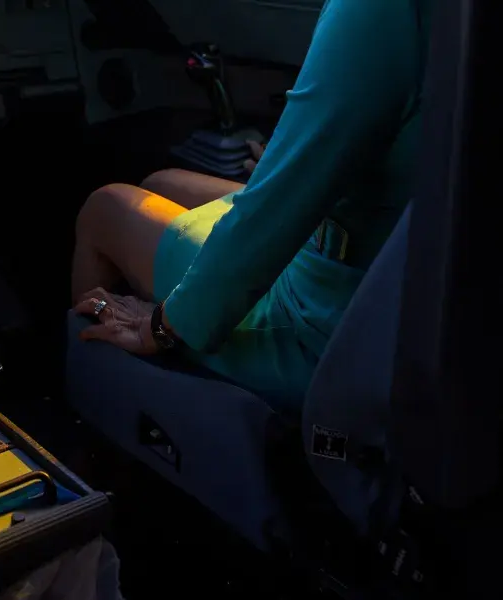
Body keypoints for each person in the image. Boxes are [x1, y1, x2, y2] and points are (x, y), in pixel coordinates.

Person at [71, 0, 432, 412]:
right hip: (394, 269)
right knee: (161, 184)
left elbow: (279, 208)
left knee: (105, 209)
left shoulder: (382, 10)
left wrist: (161, 326)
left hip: (334, 325)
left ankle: (87, 432)